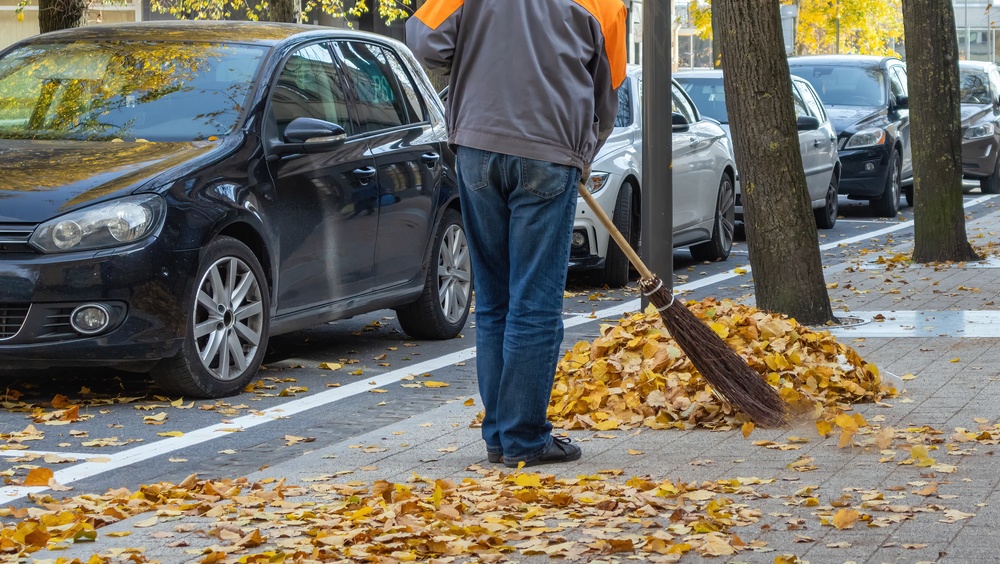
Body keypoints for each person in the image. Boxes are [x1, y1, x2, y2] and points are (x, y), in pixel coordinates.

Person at [406, 0, 627, 468]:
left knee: (493, 301)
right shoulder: (602, 3)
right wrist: (584, 152)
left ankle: (500, 436)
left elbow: (424, 40)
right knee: (535, 302)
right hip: (549, 152)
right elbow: (609, 91)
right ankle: (524, 438)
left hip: (478, 147)